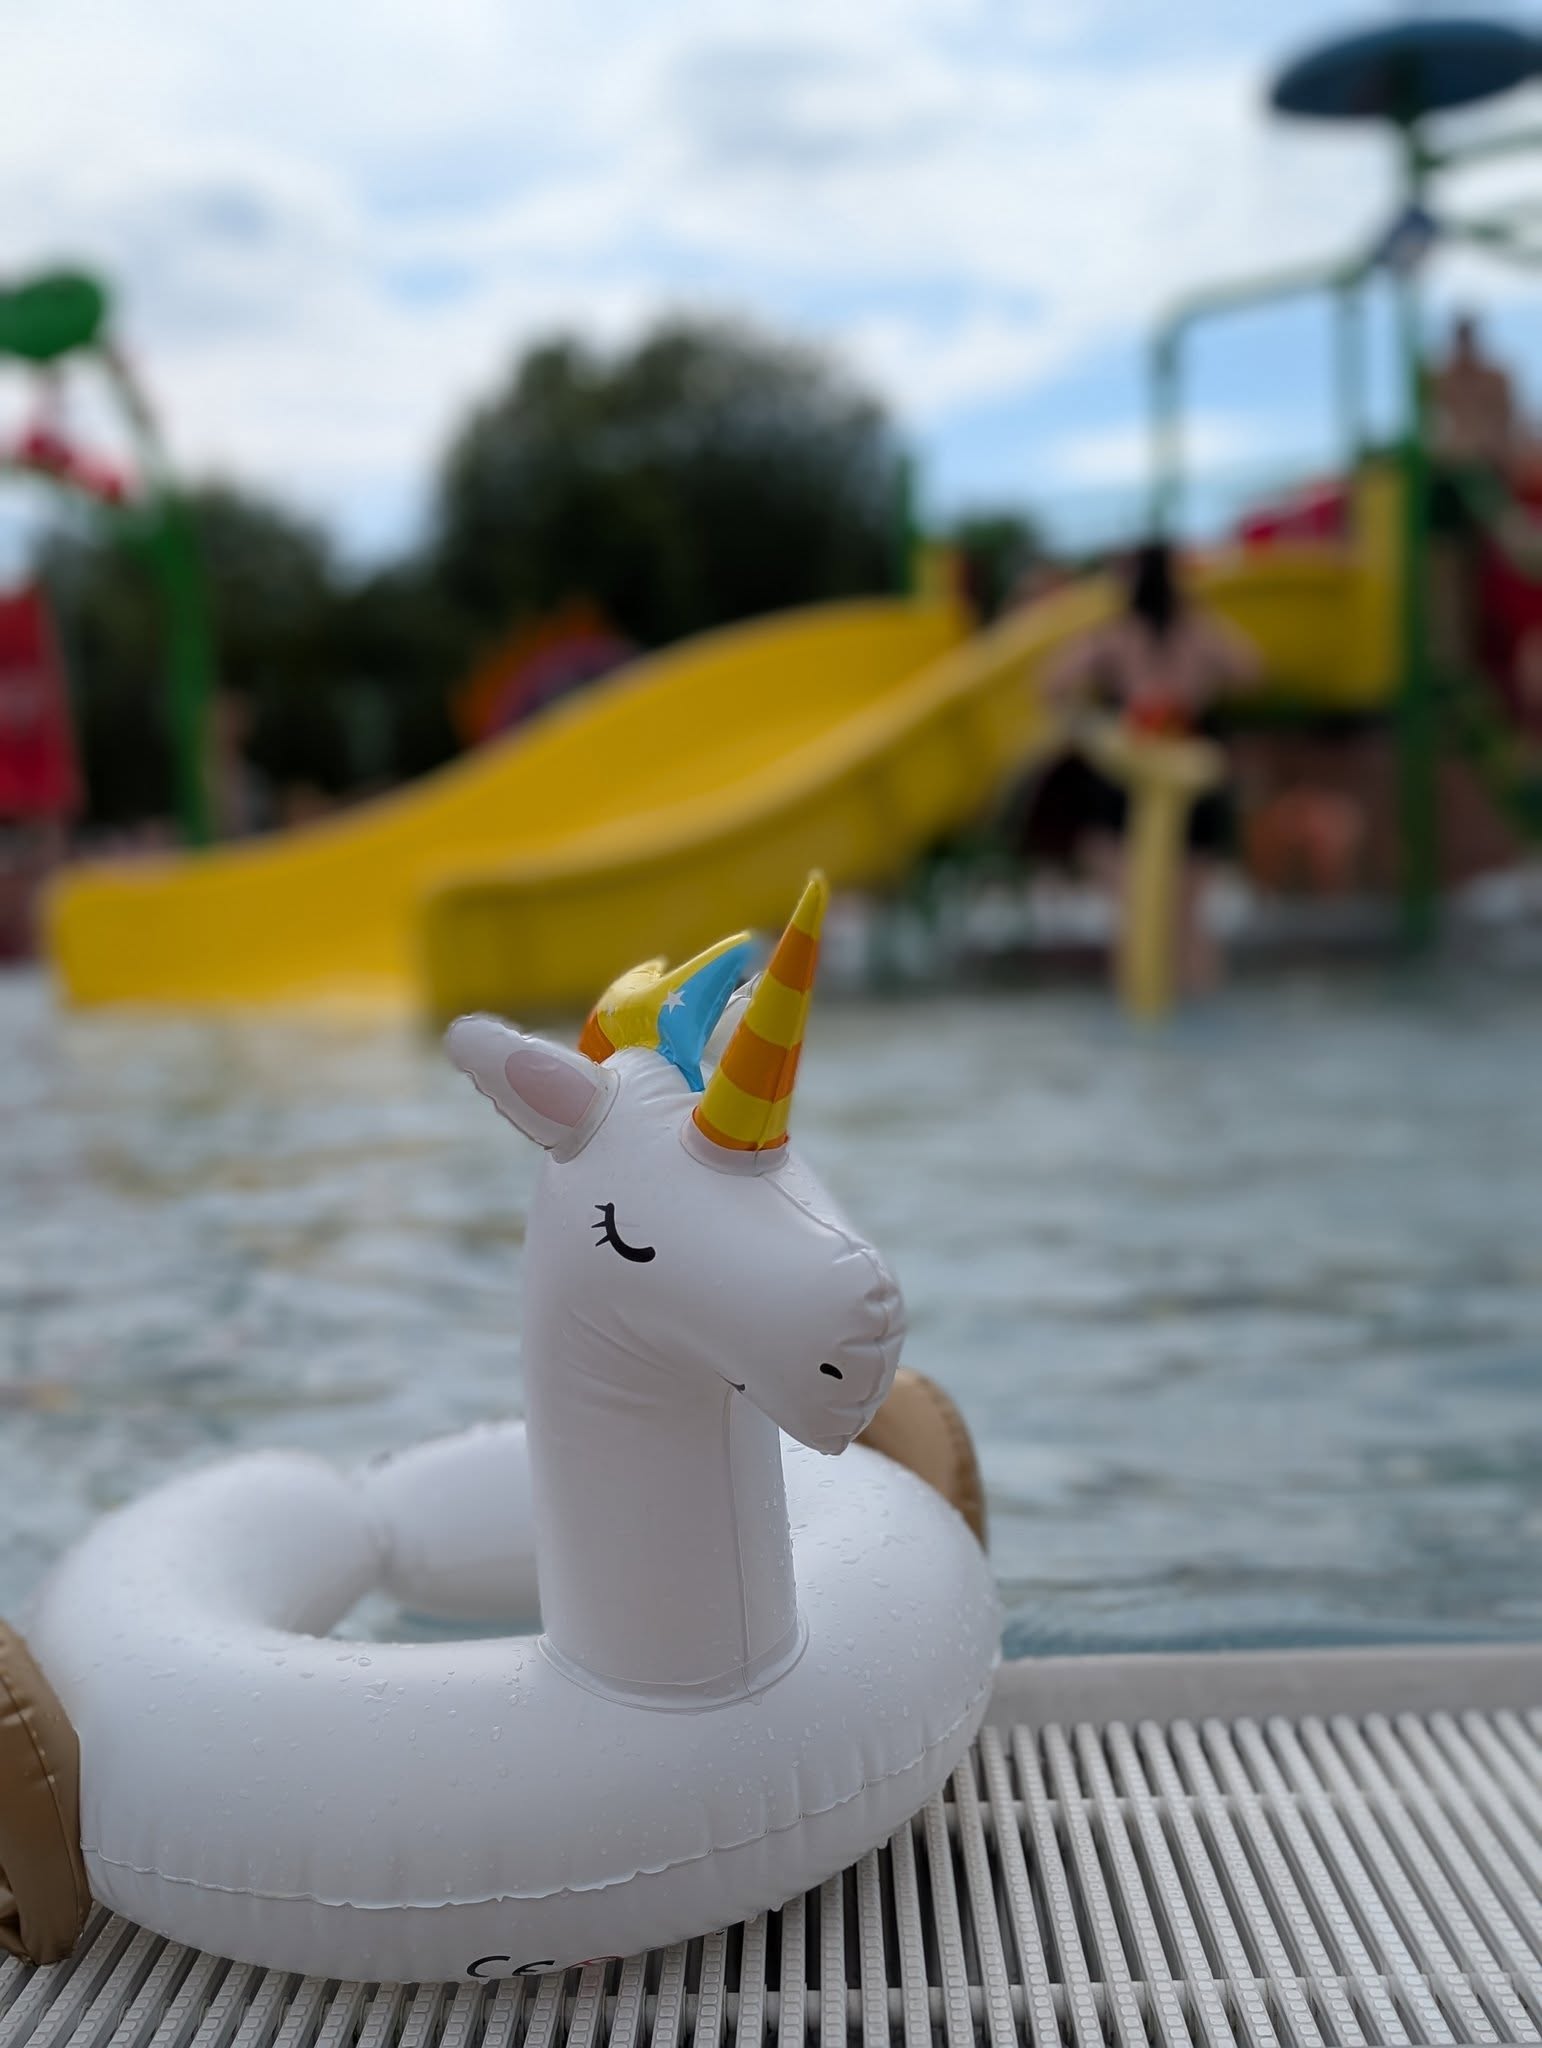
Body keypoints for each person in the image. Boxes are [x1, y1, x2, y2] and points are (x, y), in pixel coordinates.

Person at [1042, 539, 1262, 998]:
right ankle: (1203, 1011)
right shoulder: (1200, 631)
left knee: (1133, 920)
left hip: (1130, 769)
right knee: (1190, 924)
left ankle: (1139, 1010)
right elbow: (1252, 670)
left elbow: (1051, 683)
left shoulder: (1114, 635)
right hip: (1189, 764)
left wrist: (1088, 723)